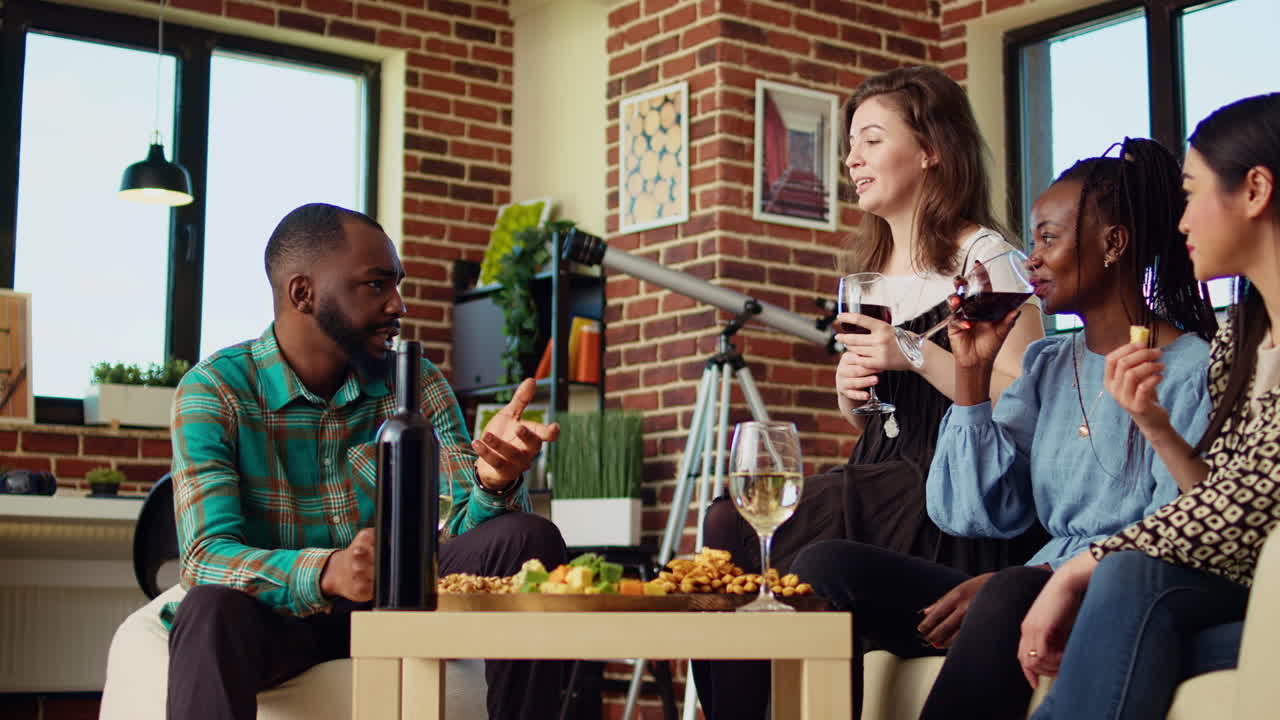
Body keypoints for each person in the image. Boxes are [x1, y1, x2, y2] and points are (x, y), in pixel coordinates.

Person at [793, 136, 1220, 719]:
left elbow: (1173, 527)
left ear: (1113, 243)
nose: (1030, 260)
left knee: (1006, 589)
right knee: (825, 567)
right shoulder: (1048, 365)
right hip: (1023, 580)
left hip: (1109, 587)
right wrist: (971, 374)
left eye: (1048, 238)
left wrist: (1036, 577)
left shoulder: (1192, 368)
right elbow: (972, 511)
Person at [692, 64, 1044, 720]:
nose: (852, 158)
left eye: (872, 140)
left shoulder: (985, 256)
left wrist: (912, 353)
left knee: (759, 528)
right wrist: (851, 393)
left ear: (933, 149)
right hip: (880, 483)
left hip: (951, 496)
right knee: (723, 521)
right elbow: (880, 416)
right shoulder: (869, 274)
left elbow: (1024, 395)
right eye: (850, 145)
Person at [164, 203, 568, 720]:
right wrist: (327, 572)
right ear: (302, 294)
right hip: (282, 620)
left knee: (528, 537)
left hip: (401, 601)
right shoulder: (215, 390)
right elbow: (204, 559)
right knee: (207, 609)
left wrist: (492, 482)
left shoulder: (415, 380)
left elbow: (455, 534)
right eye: (376, 286)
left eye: (397, 284)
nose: (398, 304)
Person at [1021, 93, 1280, 720]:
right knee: (1131, 631)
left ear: (1254, 189)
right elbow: (1218, 494)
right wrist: (1155, 426)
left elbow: (1247, 507)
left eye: (1192, 195)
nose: (1182, 222)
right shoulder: (1243, 342)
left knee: (1127, 580)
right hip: (1246, 590)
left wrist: (1081, 566)